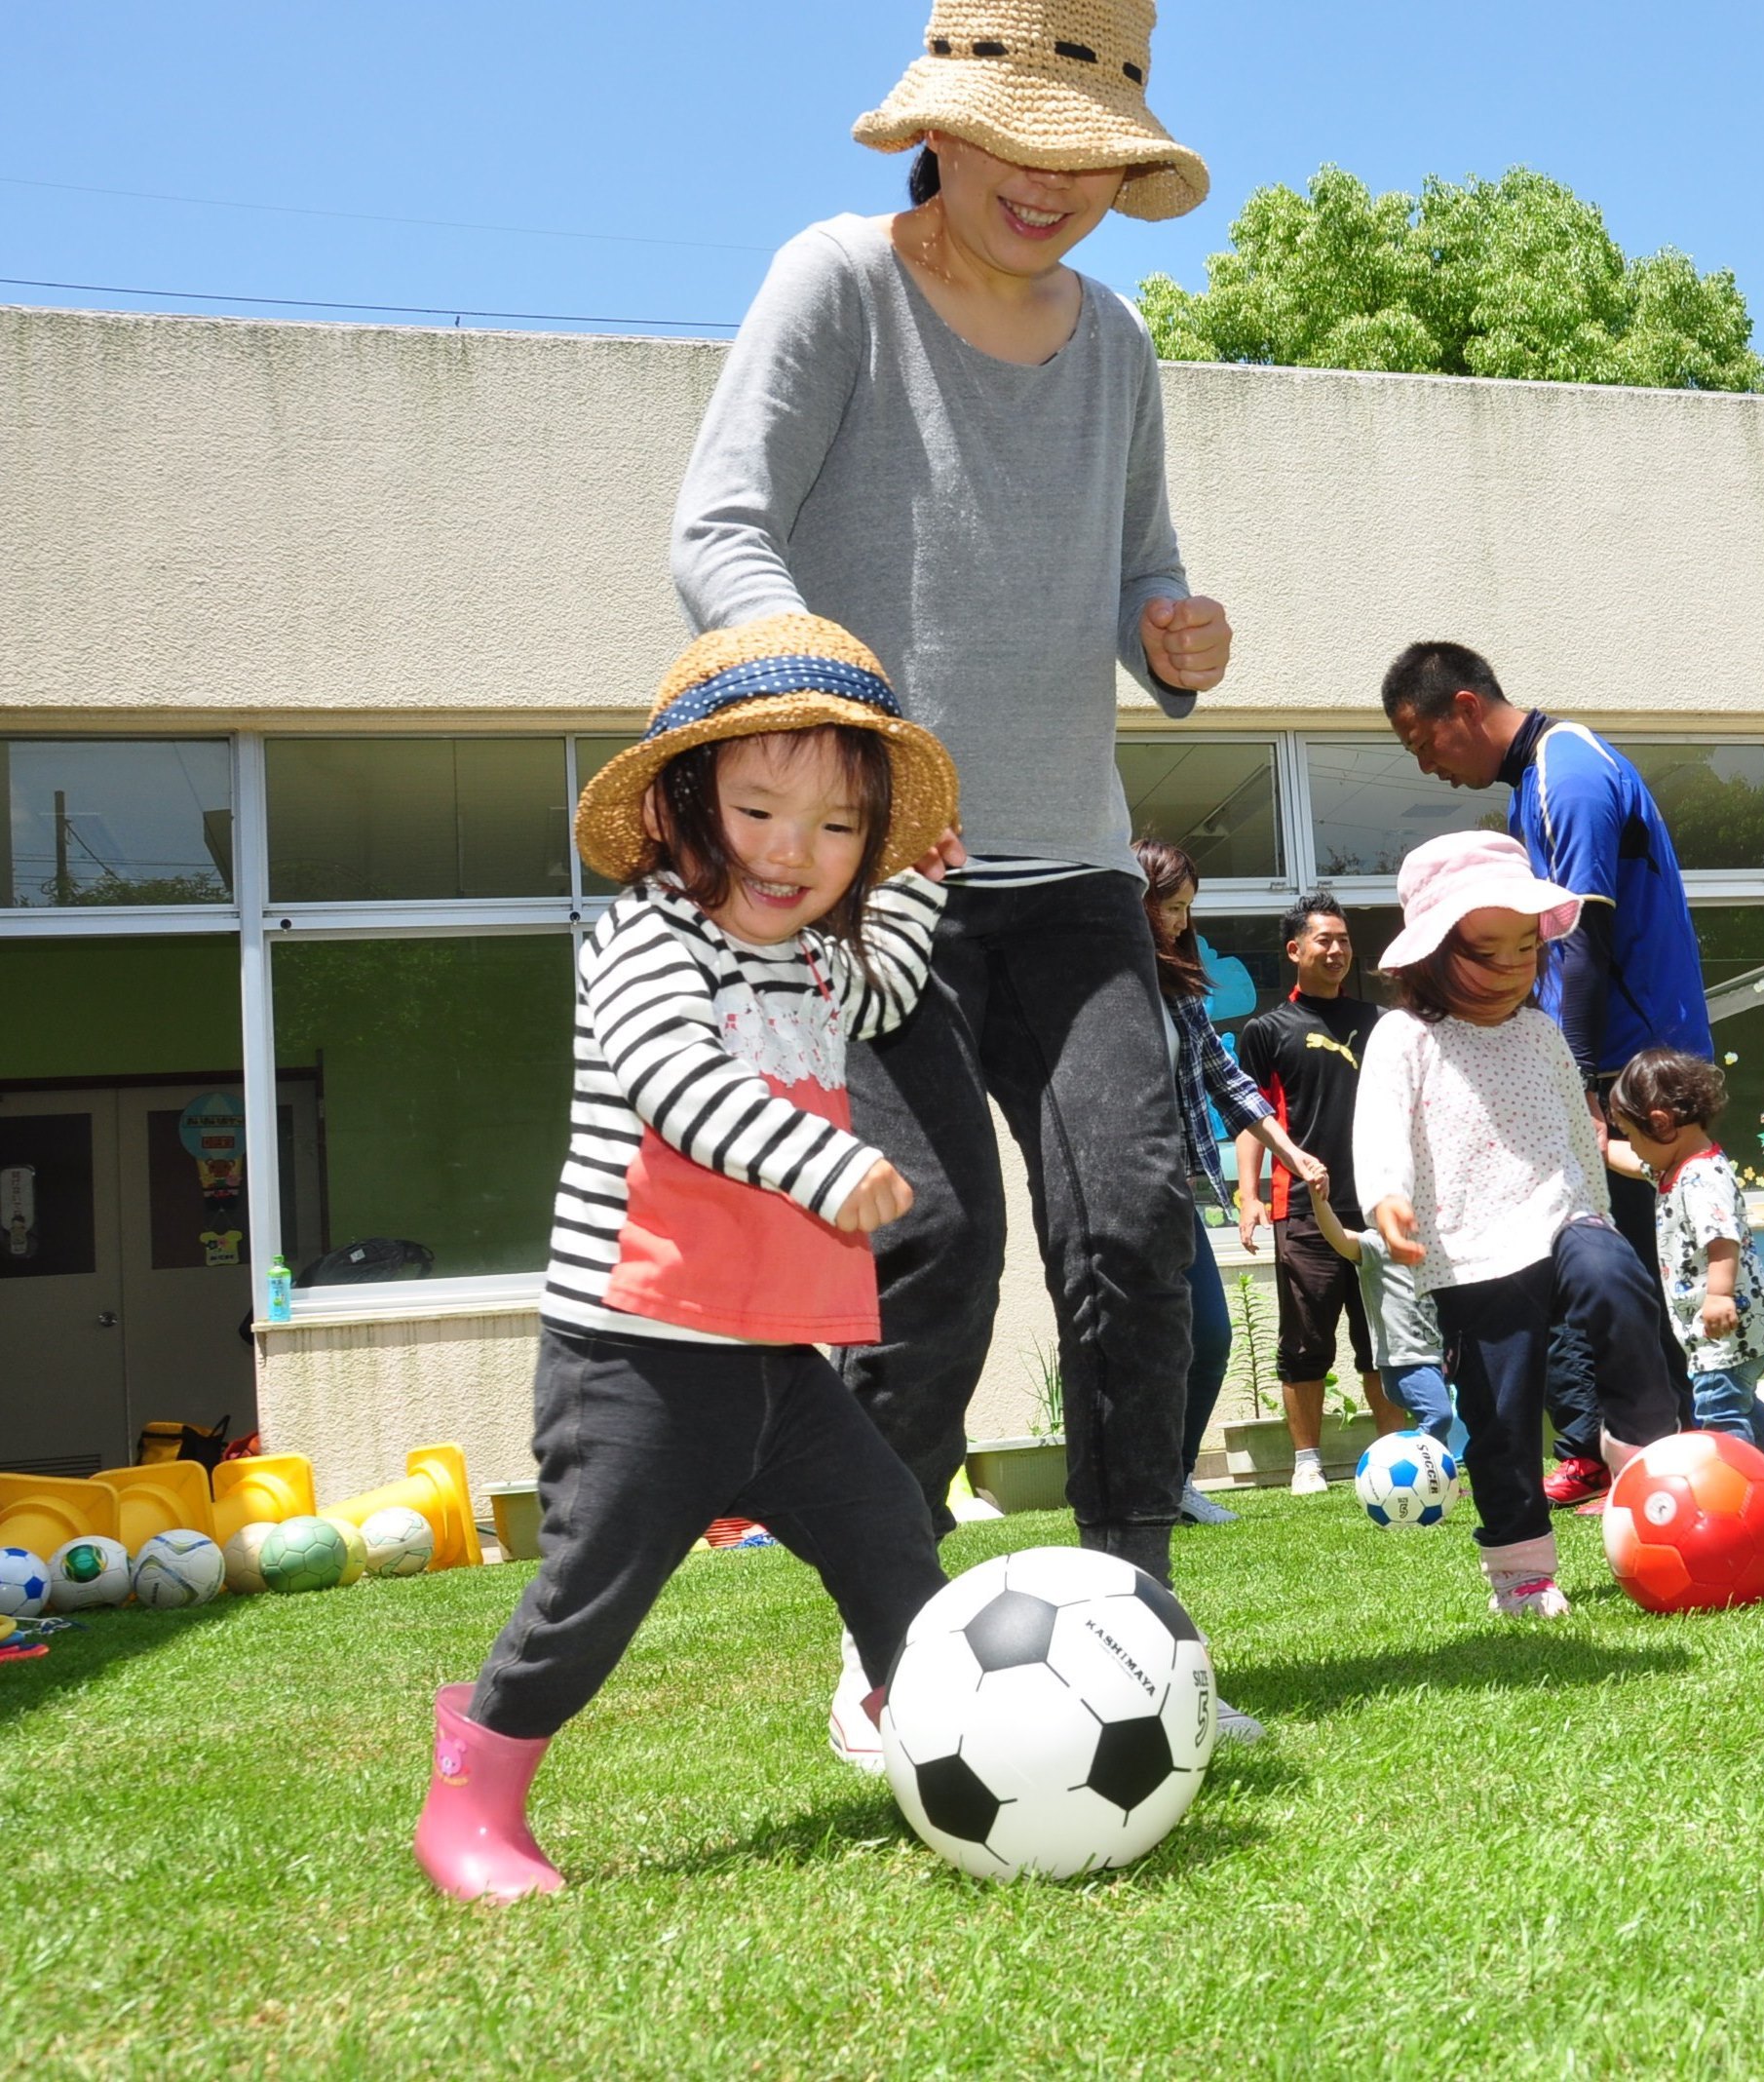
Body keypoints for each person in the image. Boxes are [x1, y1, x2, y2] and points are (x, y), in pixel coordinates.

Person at [671, 2, 1242, 1765]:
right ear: (941, 126)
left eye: (1086, 160)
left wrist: (1179, 639)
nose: (1047, 186)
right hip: (878, 878)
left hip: (1069, 866)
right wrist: (831, 720)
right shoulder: (837, 281)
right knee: (925, 1244)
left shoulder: (1119, 345)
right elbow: (716, 527)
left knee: (1136, 1227)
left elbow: (1148, 583)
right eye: (1018, 142)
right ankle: (887, 1631)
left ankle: (1135, 1603)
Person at [412, 616, 964, 1902]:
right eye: (759, 809)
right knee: (594, 1593)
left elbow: (881, 995)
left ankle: (947, 1736)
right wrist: (822, 1164)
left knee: (889, 1535)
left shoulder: (823, 961)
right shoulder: (642, 942)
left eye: (837, 830)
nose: (793, 852)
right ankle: (474, 1786)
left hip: (778, 1357)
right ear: (677, 809)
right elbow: (677, 1082)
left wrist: (924, 885)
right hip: (634, 1355)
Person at [1380, 640, 1708, 1509]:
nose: (1430, 767)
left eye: (1424, 743)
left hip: (1634, 1063)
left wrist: (1584, 1080)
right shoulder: (1535, 782)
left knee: (1620, 1272)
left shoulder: (1566, 769)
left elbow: (1582, 944)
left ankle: (1673, 1461)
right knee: (1617, 1270)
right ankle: (1649, 1452)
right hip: (1615, 1060)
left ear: (1462, 707)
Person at [1353, 831, 1681, 1618]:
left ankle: (1642, 1455)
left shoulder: (1540, 1034)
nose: (1511, 970)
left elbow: (1578, 1129)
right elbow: (1380, 1129)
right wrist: (1385, 1199)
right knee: (1498, 1418)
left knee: (1616, 1279)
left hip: (1562, 1211)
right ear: (1429, 953)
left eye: (1527, 950)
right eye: (1486, 953)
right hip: (1471, 1252)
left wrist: (1598, 1211)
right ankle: (1521, 1572)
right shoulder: (1406, 1038)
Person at [1135, 838, 1330, 1524]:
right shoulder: (1102, 980)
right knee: (1125, 1342)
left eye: (1189, 909)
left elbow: (1230, 1082)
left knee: (1209, 1334)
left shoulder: (1180, 988)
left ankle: (1174, 1481)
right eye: (1172, 907)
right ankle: (1127, 1489)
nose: (1182, 924)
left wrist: (1291, 1152)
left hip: (1171, 1187)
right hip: (1111, 1192)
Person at [1235, 892, 1406, 1495]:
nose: (1336, 950)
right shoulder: (1266, 1030)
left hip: (1380, 1205)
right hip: (1305, 1207)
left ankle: (1393, 1457)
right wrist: (1249, 1196)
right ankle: (1307, 1462)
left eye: (1343, 940)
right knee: (1306, 1341)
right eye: (1323, 940)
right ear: (1295, 950)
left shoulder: (1380, 1024)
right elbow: (1250, 1116)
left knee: (1383, 1340)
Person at [1605, 1048, 1764, 1498]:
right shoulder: (1679, 1164)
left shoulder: (1699, 1178)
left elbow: (1721, 1240)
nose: (1631, 1145)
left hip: (1726, 1325)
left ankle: (1737, 1491)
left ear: (1661, 1122)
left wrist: (1718, 1295)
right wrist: (1596, 1142)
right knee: (1741, 1402)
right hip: (1736, 1328)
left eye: (1632, 1134)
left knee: (1720, 1412)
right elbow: (1635, 1163)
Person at [1297, 1173, 1463, 1458]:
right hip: (1404, 1362)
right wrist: (1318, 1198)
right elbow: (1338, 1237)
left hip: (1436, 1359)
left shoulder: (1436, 1246)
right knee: (1439, 1417)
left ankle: (1439, 1485)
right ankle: (1401, 1462)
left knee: (1441, 1426)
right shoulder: (1377, 1246)